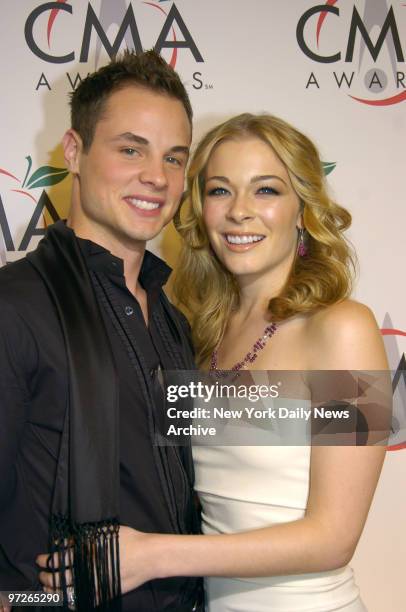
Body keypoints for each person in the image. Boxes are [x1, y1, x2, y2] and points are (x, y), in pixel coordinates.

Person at [39, 112, 391, 611]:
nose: (239, 211)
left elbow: (333, 538)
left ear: (302, 209)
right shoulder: (198, 333)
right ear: (200, 207)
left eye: (266, 190)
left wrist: (150, 556)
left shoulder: (344, 328)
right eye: (220, 191)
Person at [0, 50, 203, 612]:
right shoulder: (15, 306)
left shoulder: (171, 319)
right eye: (131, 149)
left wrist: (332, 335)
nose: (157, 177)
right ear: (74, 151)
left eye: (174, 158)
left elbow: (345, 412)